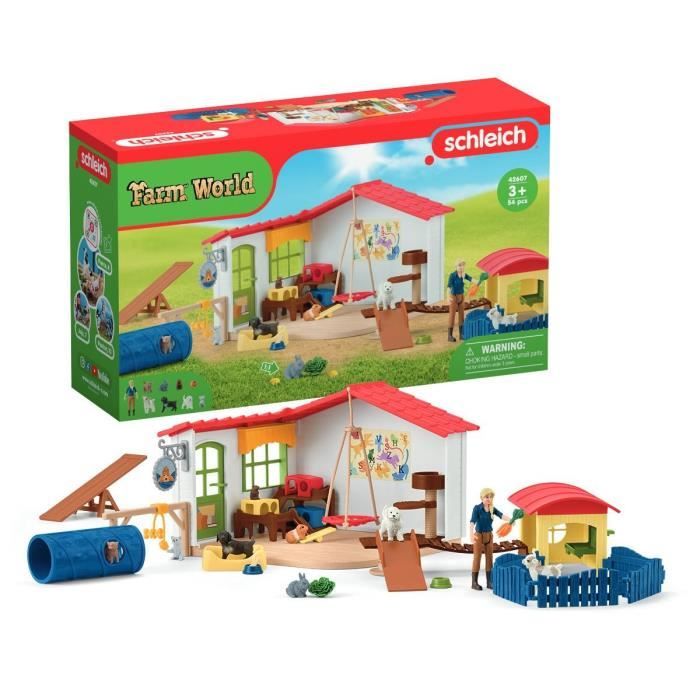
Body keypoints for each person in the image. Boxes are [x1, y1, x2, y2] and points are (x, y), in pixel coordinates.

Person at [470, 487, 510, 590]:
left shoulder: (492, 509)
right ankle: (474, 582)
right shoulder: (477, 508)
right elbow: (472, 522)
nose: (489, 499)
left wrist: (511, 520)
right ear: (482, 498)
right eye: (486, 497)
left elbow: (501, 515)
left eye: (491, 497)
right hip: (479, 536)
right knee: (477, 558)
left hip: (489, 535)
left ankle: (489, 582)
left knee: (489, 558)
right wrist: (471, 535)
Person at [446, 259, 474, 342]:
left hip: (461, 296)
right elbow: (448, 287)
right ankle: (449, 336)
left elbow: (471, 279)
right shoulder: (452, 275)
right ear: (456, 267)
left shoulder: (464, 275)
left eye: (462, 265)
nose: (461, 267)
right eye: (459, 265)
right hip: (453, 297)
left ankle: (461, 334)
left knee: (461, 315)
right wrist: (448, 297)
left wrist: (479, 281)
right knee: (452, 315)